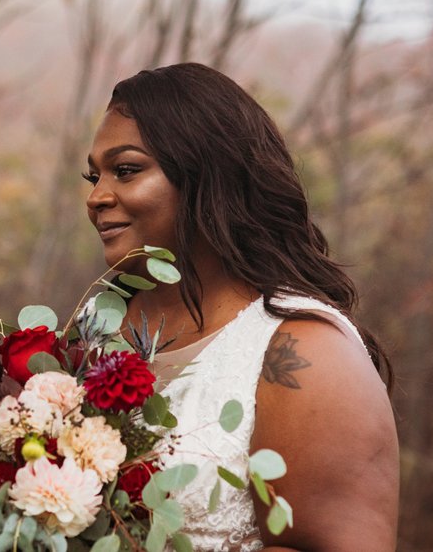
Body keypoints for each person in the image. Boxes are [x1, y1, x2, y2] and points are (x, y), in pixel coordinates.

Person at [82, 63, 398, 551]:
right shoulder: (92, 329)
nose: (97, 196)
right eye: (94, 175)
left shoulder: (304, 351)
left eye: (126, 170)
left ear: (207, 174)